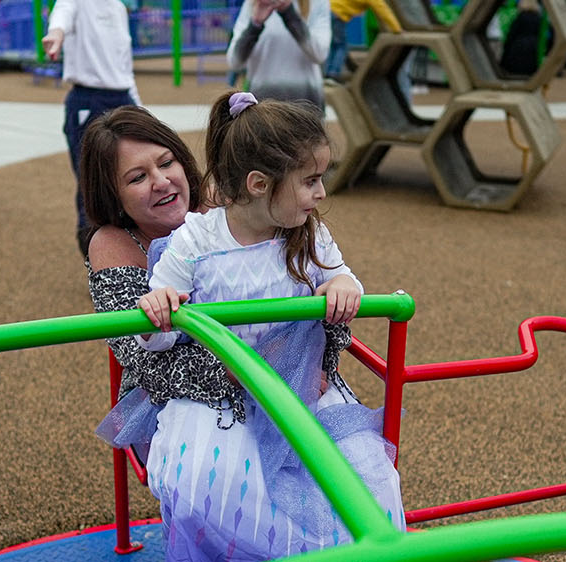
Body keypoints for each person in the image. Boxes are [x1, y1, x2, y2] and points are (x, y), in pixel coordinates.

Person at [124, 92, 404, 560]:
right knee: (200, 488)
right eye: (311, 181)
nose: (321, 194)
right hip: (219, 397)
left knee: (369, 481)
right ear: (258, 183)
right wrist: (158, 307)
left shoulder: (307, 233)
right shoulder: (196, 239)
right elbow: (155, 339)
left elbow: (342, 275)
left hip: (300, 387)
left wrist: (341, 285)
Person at [39, 0, 139, 257]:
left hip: (122, 97)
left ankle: (129, 253)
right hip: (88, 98)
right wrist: (56, 32)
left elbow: (125, 66)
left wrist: (138, 107)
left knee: (130, 179)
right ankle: (96, 261)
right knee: (92, 185)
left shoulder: (118, 7)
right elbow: (63, 12)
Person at [229, 0, 332, 108]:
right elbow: (235, 62)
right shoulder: (252, 4)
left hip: (306, 106)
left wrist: (288, 12)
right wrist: (255, 25)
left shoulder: (317, 3)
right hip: (263, 107)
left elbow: (320, 54)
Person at [325, 0, 399, 80]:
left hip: (328, 10)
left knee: (334, 45)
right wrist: (397, 29)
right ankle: (333, 73)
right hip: (338, 13)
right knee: (341, 46)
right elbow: (383, 11)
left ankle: (328, 72)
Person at [500, 0, 542, 76]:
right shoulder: (539, 18)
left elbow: (512, 33)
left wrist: (506, 46)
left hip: (519, 47)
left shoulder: (520, 17)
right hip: (534, 47)